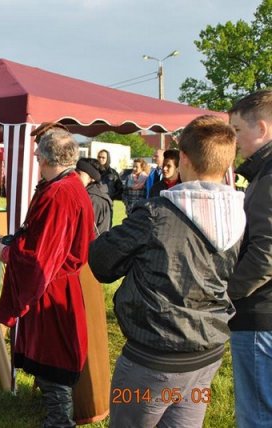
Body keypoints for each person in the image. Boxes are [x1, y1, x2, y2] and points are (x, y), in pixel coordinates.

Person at [89, 115, 245, 428]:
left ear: (184, 159)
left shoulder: (157, 214)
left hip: (153, 358)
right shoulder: (238, 211)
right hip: (206, 354)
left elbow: (102, 262)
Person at [0, 125, 94, 427]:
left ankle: (60, 421)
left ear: (47, 159)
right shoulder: (67, 186)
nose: (37, 162)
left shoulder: (60, 194)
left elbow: (43, 257)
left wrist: (7, 253)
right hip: (55, 285)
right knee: (51, 353)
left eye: (39, 157)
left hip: (52, 288)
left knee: (54, 357)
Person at [227, 90, 272, 427]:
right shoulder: (262, 174)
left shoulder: (268, 178)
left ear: (261, 128)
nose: (234, 139)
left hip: (259, 314)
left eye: (237, 130)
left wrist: (225, 295)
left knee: (256, 415)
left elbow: (265, 255)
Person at [76, 157, 112, 235]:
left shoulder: (93, 199)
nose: (75, 176)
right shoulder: (85, 193)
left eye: (79, 173)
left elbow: (86, 231)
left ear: (92, 178)